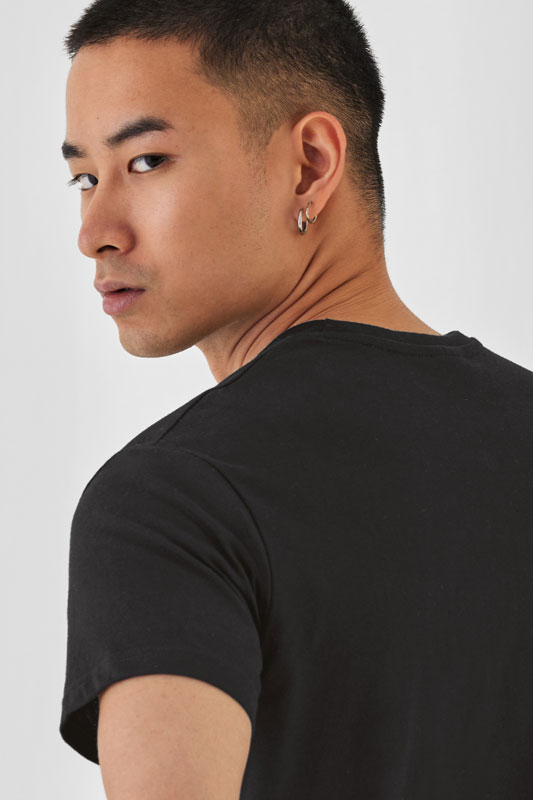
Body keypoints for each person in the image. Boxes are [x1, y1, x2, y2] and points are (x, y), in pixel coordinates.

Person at [58, 1, 533, 798]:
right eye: (83, 177)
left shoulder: (172, 501)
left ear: (309, 165)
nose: (94, 230)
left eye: (145, 162)